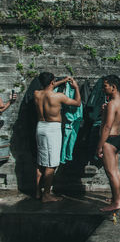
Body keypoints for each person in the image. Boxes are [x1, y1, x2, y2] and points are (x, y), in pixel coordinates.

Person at [34, 72, 81, 202]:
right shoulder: (58, 96)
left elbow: (48, 87)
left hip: (40, 127)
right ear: (52, 82)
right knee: (51, 164)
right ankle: (46, 195)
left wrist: (63, 81)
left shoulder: (37, 94)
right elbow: (77, 103)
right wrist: (76, 87)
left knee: (40, 162)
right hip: (52, 129)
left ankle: (38, 192)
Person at [96, 75, 120, 212]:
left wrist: (100, 146)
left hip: (109, 140)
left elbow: (107, 127)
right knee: (116, 172)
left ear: (113, 87)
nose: (103, 88)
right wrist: (104, 111)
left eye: (105, 86)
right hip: (117, 139)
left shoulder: (112, 104)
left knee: (111, 172)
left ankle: (116, 202)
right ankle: (117, 198)